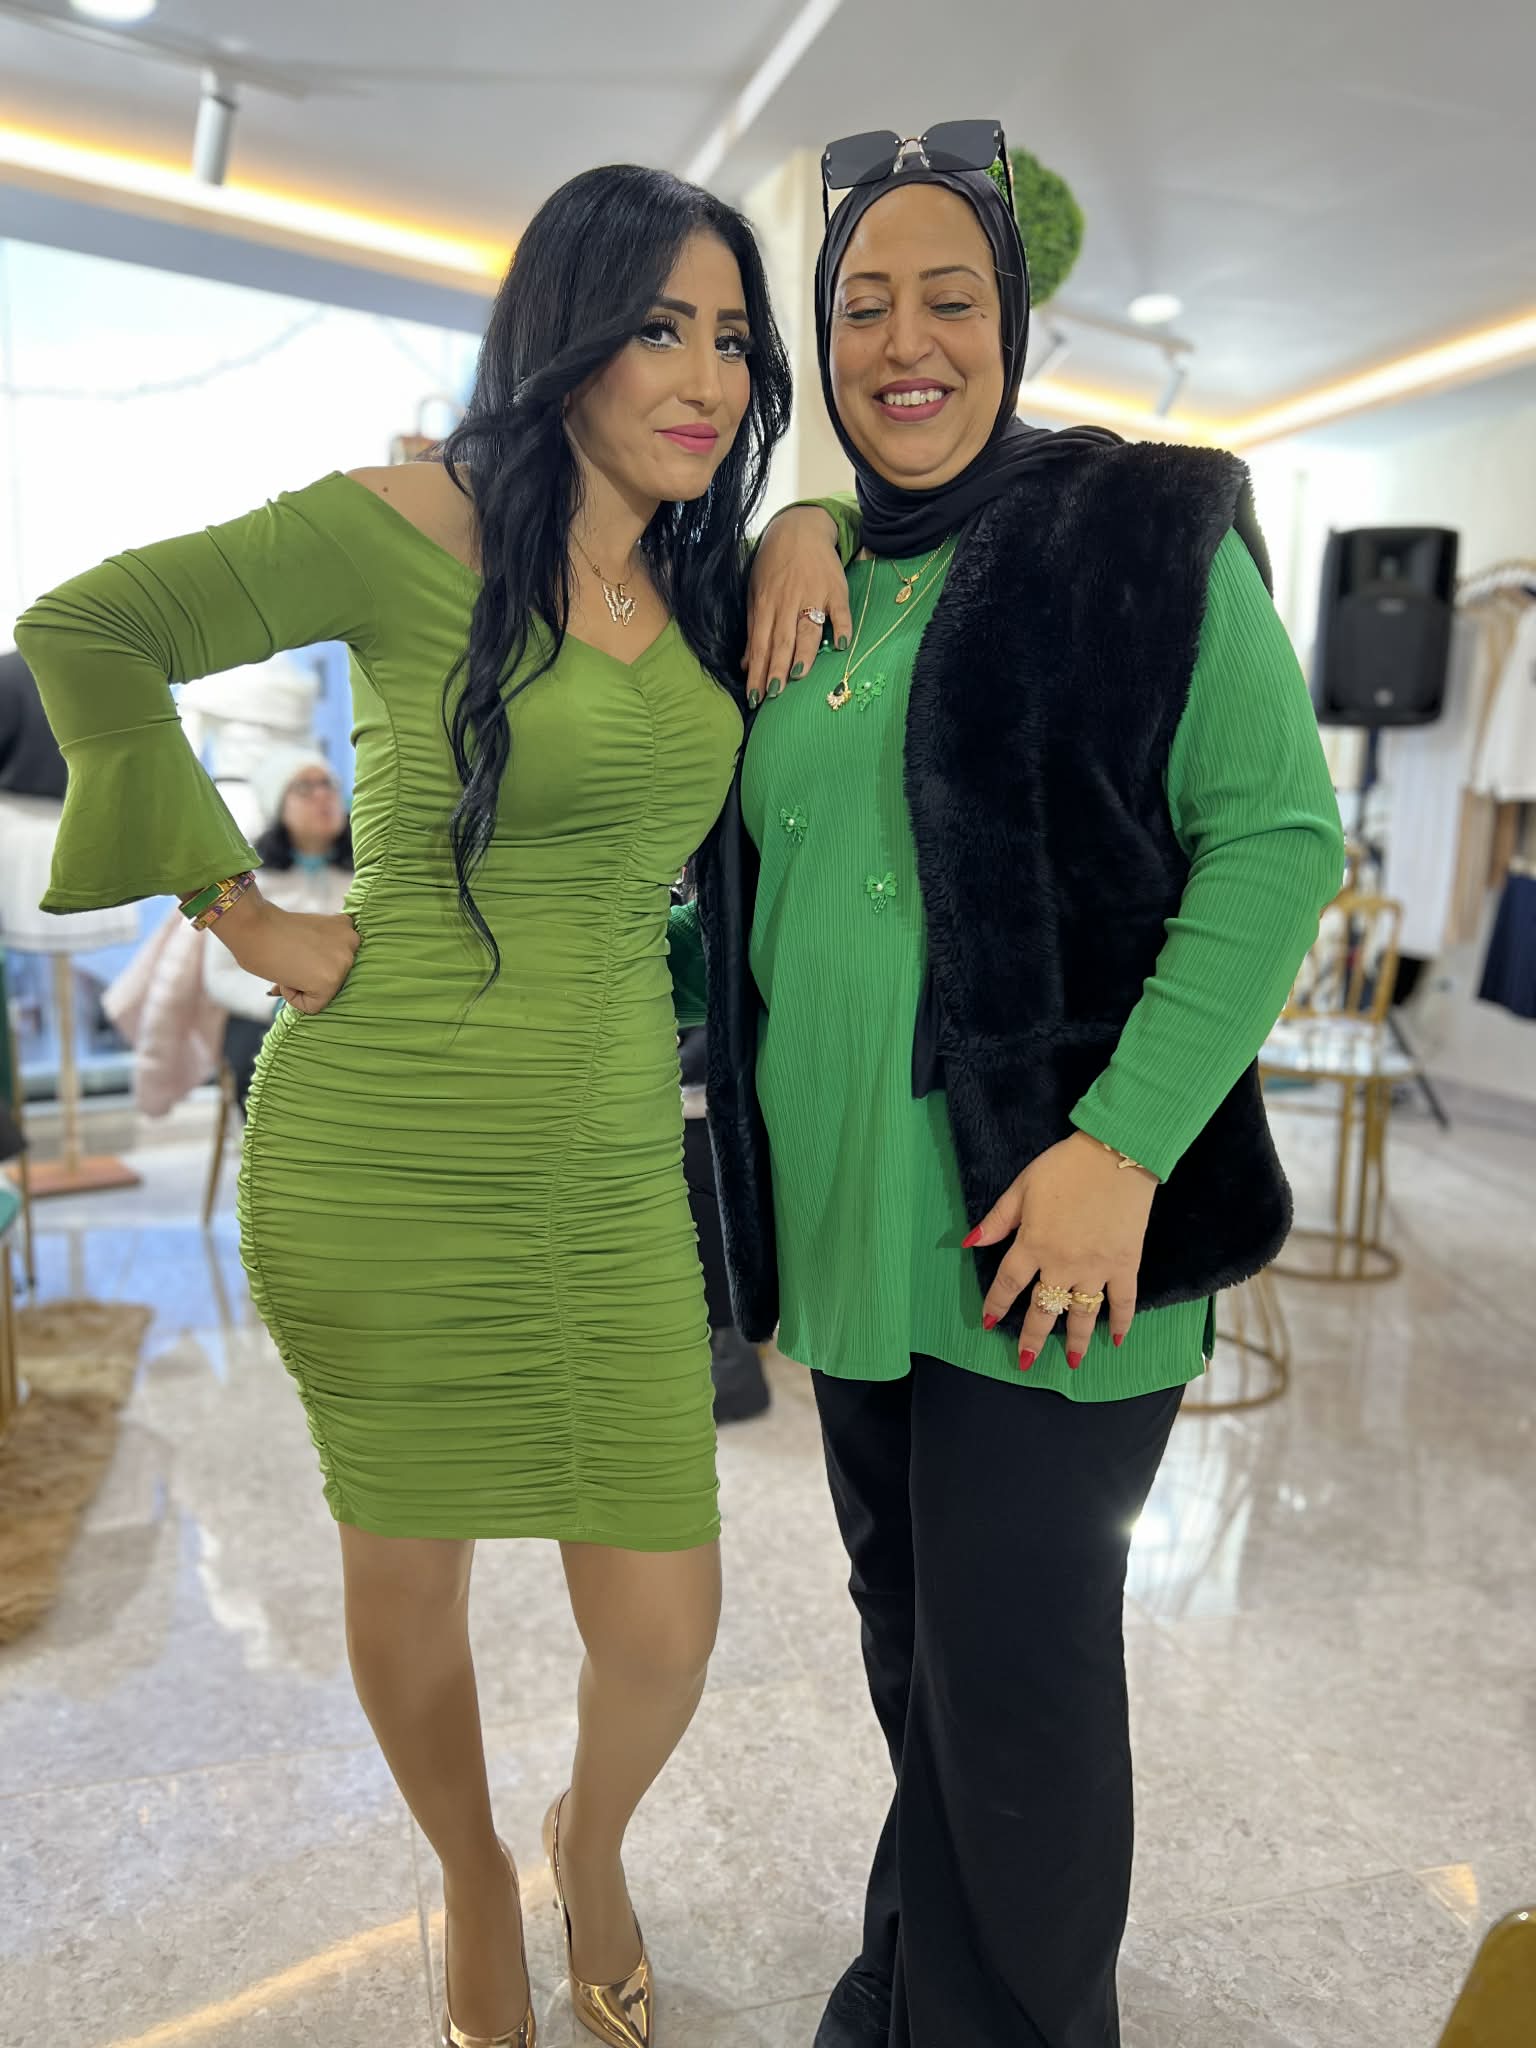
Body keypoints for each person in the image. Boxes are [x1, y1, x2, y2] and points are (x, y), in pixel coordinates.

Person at [17, 162, 791, 2048]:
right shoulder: (405, 520)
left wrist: (821, 518)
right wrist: (240, 911)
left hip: (612, 1165)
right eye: (660, 328)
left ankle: (590, 1837)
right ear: (564, 338)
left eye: (731, 339)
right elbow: (85, 625)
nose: (704, 377)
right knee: (407, 1575)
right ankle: (471, 1870)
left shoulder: (701, 572)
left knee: (665, 1625)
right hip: (385, 1143)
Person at [679, 126, 1347, 2047]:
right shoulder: (806, 580)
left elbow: (1276, 840)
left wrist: (1117, 1144)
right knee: (920, 1656)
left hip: (1052, 1233)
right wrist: (800, 519)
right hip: (855, 1236)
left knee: (1022, 1695)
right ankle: (913, 1975)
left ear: (1015, 321)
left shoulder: (1138, 530)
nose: (907, 342)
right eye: (862, 306)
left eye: (949, 299)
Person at [202, 746, 353, 1112]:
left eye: (328, 784)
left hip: (350, 1013)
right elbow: (219, 975)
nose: (323, 795)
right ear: (277, 804)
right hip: (268, 1017)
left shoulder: (366, 874)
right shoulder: (247, 884)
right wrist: (280, 1003)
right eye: (305, 787)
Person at [678, 1020, 772, 1423]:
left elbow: (698, 1056)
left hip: (711, 1137)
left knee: (718, 1263)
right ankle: (725, 1376)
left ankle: (736, 1381)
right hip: (691, 1136)